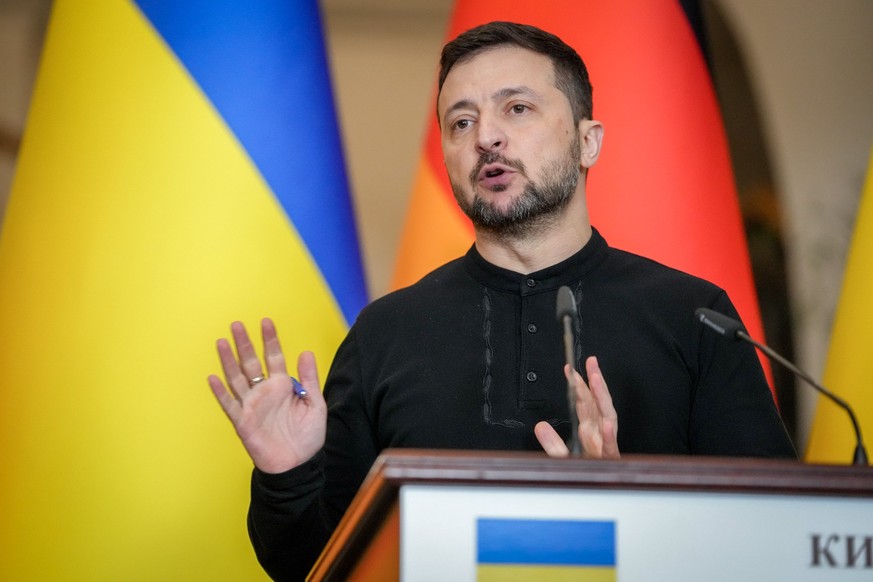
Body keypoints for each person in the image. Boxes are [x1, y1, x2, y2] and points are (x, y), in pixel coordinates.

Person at [208, 21, 796, 581]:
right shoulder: (383, 334)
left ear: (588, 142)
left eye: (517, 108)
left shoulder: (695, 318)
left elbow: (777, 544)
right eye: (460, 122)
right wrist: (286, 474)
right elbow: (313, 567)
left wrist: (628, 512)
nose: (485, 136)